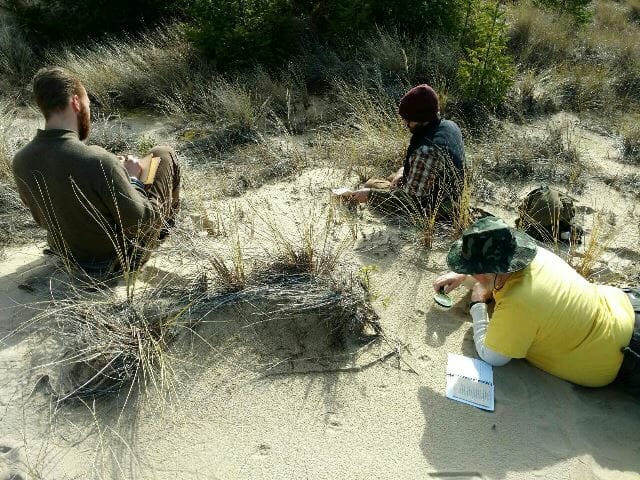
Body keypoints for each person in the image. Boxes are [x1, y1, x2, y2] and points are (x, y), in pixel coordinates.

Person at [433, 216, 639, 392]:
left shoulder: (518, 302)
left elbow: (492, 356)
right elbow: (494, 277)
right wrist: (462, 274)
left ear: (483, 272)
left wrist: (477, 305)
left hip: (623, 356)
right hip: (626, 304)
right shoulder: (535, 255)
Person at [12, 67, 181, 277]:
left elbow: (41, 215)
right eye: (87, 104)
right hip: (117, 261)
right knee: (162, 153)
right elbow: (141, 221)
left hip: (66, 253)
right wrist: (134, 180)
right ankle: (166, 228)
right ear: (75, 102)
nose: (88, 110)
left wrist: (117, 171)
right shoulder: (98, 160)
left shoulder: (20, 159)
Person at [338, 84, 466, 218]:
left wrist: (370, 195)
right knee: (389, 179)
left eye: (408, 119)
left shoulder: (426, 151)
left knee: (370, 184)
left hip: (436, 210)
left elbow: (409, 203)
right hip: (448, 193)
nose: (405, 123)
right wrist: (402, 171)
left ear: (421, 118)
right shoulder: (450, 126)